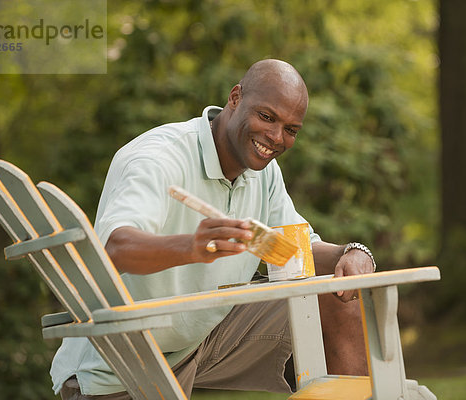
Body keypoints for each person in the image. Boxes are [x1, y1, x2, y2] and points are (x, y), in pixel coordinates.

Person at [51, 59, 375, 399]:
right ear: (235, 98)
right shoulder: (160, 157)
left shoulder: (263, 172)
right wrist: (191, 246)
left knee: (339, 294)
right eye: (267, 117)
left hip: (205, 335)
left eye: (291, 129)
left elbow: (293, 249)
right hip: (123, 358)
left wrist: (348, 253)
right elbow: (114, 249)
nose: (277, 138)